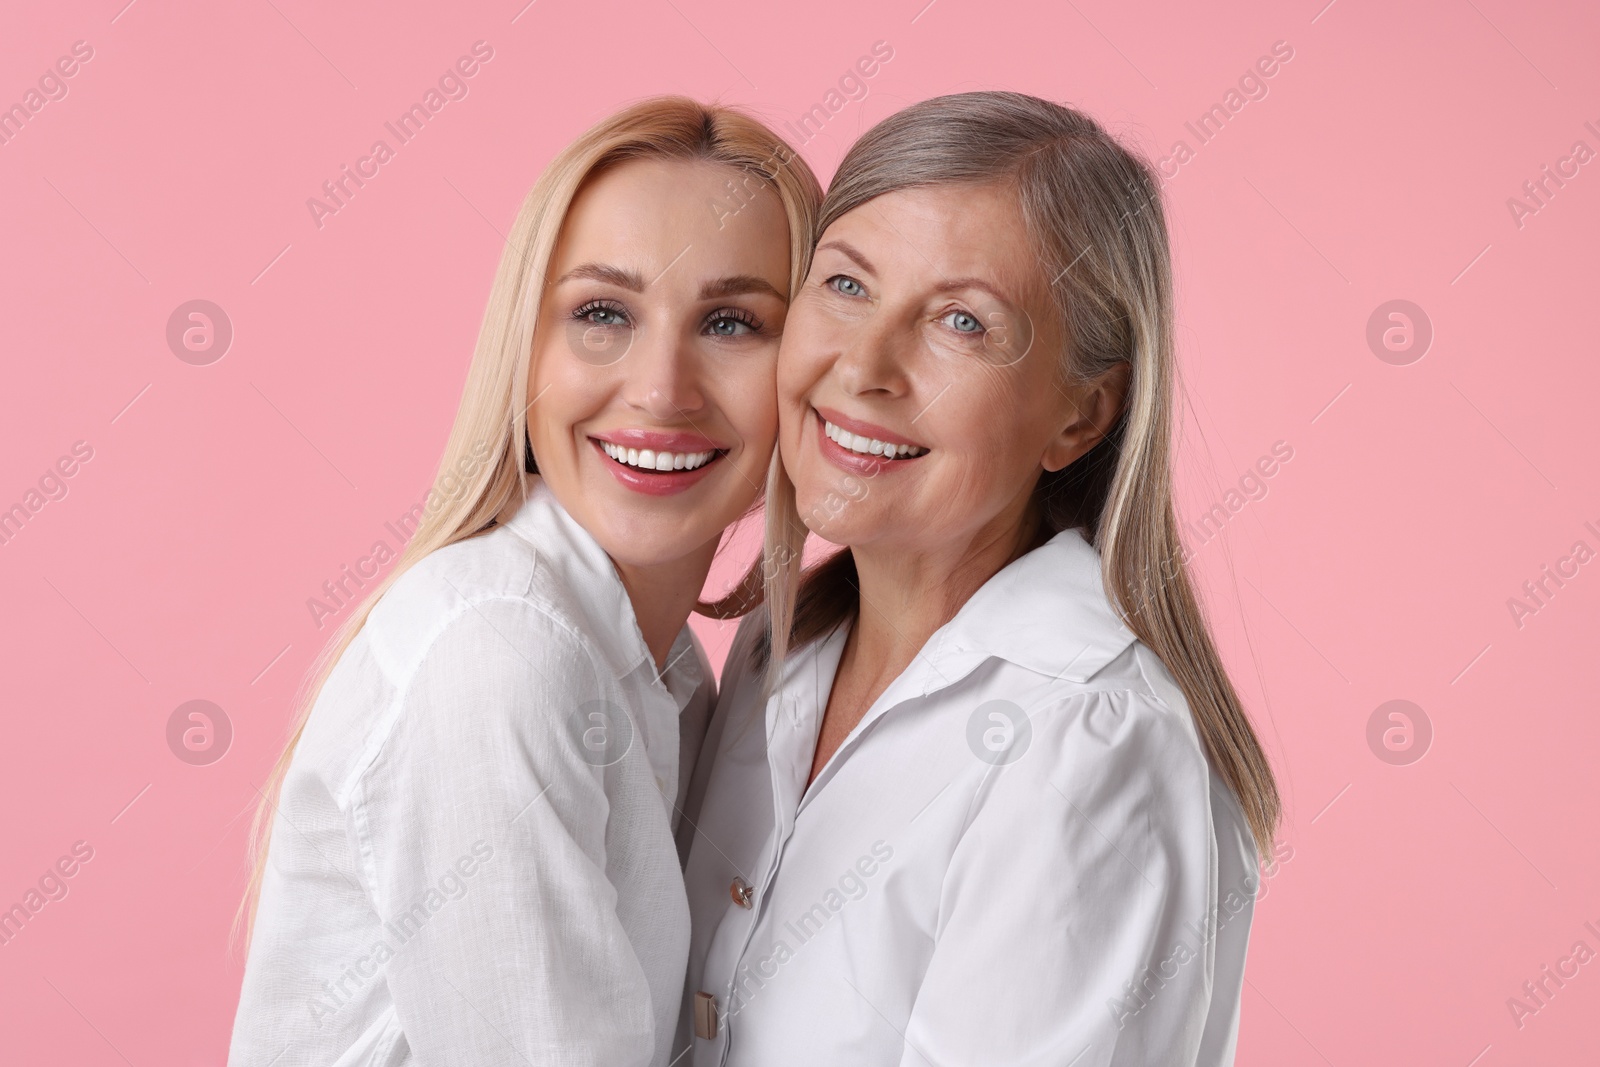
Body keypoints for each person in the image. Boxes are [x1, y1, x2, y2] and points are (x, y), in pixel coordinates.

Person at [678, 91, 1280, 1066]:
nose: (864, 366)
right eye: (846, 284)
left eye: (960, 321)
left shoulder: (1088, 743)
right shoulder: (780, 648)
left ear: (1080, 416)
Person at [228, 97, 820, 1067]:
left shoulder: (664, 667)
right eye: (601, 312)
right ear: (525, 350)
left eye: (729, 320)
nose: (662, 386)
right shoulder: (503, 655)